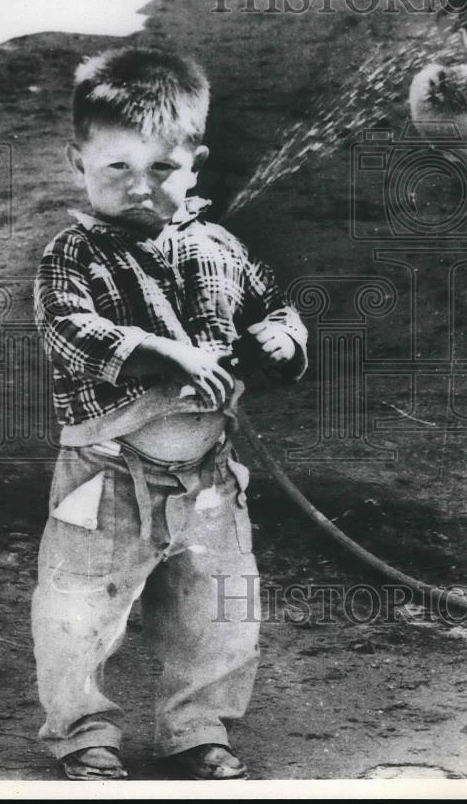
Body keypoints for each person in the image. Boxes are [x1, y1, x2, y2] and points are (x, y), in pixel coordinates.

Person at [31, 47, 307, 781]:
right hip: (107, 474)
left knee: (220, 609)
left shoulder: (221, 247)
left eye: (161, 169)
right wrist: (165, 351)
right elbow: (70, 330)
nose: (139, 187)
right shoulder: (74, 255)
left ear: (196, 164)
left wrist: (282, 338)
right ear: (78, 161)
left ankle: (197, 723)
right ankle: (83, 726)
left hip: (209, 476)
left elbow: (275, 305)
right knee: (80, 607)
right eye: (116, 168)